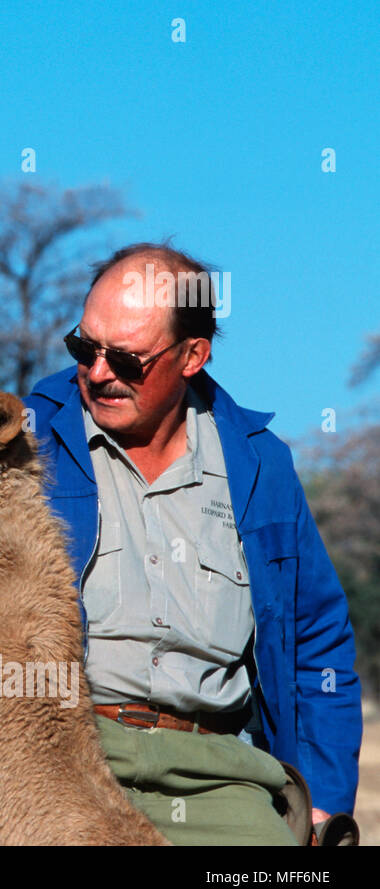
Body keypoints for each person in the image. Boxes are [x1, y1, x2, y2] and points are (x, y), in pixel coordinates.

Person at [24, 243, 361, 845]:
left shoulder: (262, 465)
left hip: (221, 774)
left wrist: (323, 800)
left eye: (126, 360)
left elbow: (316, 638)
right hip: (65, 757)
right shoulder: (24, 444)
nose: (99, 373)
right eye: (84, 347)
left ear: (193, 356)